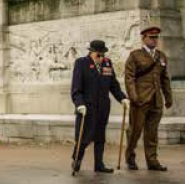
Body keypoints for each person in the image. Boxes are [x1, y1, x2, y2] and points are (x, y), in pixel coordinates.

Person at [71, 40, 129, 173]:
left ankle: (99, 164)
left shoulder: (107, 63)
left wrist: (122, 98)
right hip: (87, 108)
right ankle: (77, 159)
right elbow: (76, 88)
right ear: (91, 52)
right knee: (84, 138)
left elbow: (113, 85)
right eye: (98, 55)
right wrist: (79, 104)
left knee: (100, 137)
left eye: (103, 55)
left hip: (102, 108)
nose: (101, 58)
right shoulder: (81, 63)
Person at [124, 26, 172, 171]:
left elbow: (165, 79)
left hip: (156, 101)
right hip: (140, 100)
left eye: (156, 37)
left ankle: (152, 161)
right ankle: (130, 157)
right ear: (143, 38)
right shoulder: (135, 55)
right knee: (135, 131)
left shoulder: (161, 56)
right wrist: (134, 97)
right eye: (151, 37)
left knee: (152, 133)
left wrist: (168, 97)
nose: (154, 40)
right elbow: (129, 78)